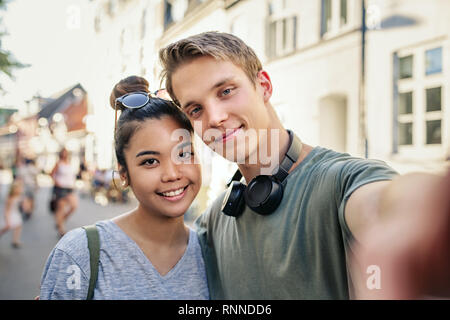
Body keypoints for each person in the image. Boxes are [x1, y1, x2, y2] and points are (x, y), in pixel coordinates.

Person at [159, 31, 450, 299]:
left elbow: (385, 203)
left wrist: (426, 213)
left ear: (264, 86)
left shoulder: (343, 181)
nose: (215, 118)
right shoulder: (214, 221)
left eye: (226, 91)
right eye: (196, 109)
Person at [39, 76, 209, 300]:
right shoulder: (79, 254)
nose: (172, 174)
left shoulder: (211, 254)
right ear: (124, 173)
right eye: (150, 161)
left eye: (183, 154)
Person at [50, 148, 79, 237]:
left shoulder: (70, 163)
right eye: (63, 153)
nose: (64, 155)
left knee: (74, 206)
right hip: (60, 188)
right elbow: (51, 174)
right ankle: (61, 230)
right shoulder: (58, 164)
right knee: (61, 209)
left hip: (70, 188)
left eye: (66, 153)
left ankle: (60, 222)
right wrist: (57, 182)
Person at [0, 179, 24, 248]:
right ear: (14, 189)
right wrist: (7, 219)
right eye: (19, 189)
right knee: (6, 227)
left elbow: (22, 206)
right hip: (9, 214)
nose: (20, 190)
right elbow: (6, 210)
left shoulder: (19, 197)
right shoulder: (10, 198)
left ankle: (15, 240)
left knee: (18, 226)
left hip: (15, 214)